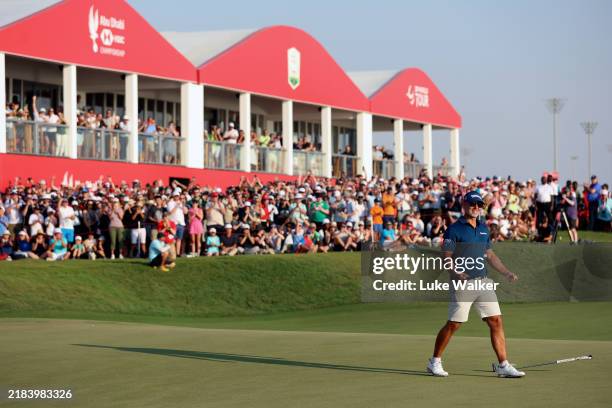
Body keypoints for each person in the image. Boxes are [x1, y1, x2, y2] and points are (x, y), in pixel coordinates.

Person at [427, 191, 524, 378]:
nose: (476, 208)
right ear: (464, 205)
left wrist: (506, 272)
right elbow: (446, 255)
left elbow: (490, 255)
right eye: (473, 204)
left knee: (496, 321)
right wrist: (455, 271)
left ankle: (503, 364)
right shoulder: (453, 230)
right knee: (454, 323)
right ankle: (434, 362)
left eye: (479, 205)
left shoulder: (483, 229)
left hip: (483, 282)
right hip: (463, 283)